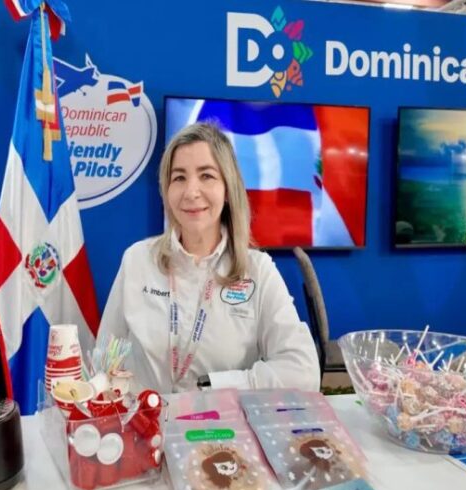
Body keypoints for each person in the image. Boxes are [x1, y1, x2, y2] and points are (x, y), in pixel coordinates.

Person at [97, 122, 320, 393]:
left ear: (227, 189)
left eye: (206, 176)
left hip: (222, 419)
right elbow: (104, 360)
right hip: (145, 417)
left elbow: (304, 371)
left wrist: (217, 386)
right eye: (179, 177)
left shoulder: (257, 271)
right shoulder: (137, 260)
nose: (191, 192)